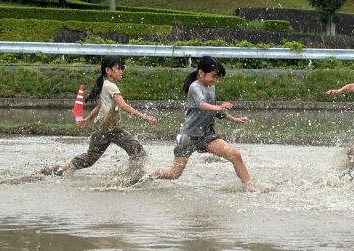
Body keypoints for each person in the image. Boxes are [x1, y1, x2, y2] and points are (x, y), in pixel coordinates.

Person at [152, 56, 254, 189]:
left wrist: (234, 119)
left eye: (217, 77)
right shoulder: (194, 87)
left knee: (235, 154)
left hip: (206, 135)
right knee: (174, 174)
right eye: (213, 76)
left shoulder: (211, 88)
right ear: (201, 73)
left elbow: (215, 111)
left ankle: (250, 187)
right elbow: (202, 105)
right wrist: (218, 107)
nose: (215, 80)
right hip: (189, 137)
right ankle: (149, 175)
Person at [53, 56, 157, 179]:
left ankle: (134, 175)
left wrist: (87, 119)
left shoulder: (105, 84)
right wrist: (145, 117)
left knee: (135, 151)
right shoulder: (110, 86)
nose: (121, 71)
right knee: (135, 152)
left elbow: (100, 105)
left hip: (112, 129)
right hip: (105, 130)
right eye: (118, 68)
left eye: (121, 68)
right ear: (108, 70)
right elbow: (123, 106)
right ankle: (64, 168)